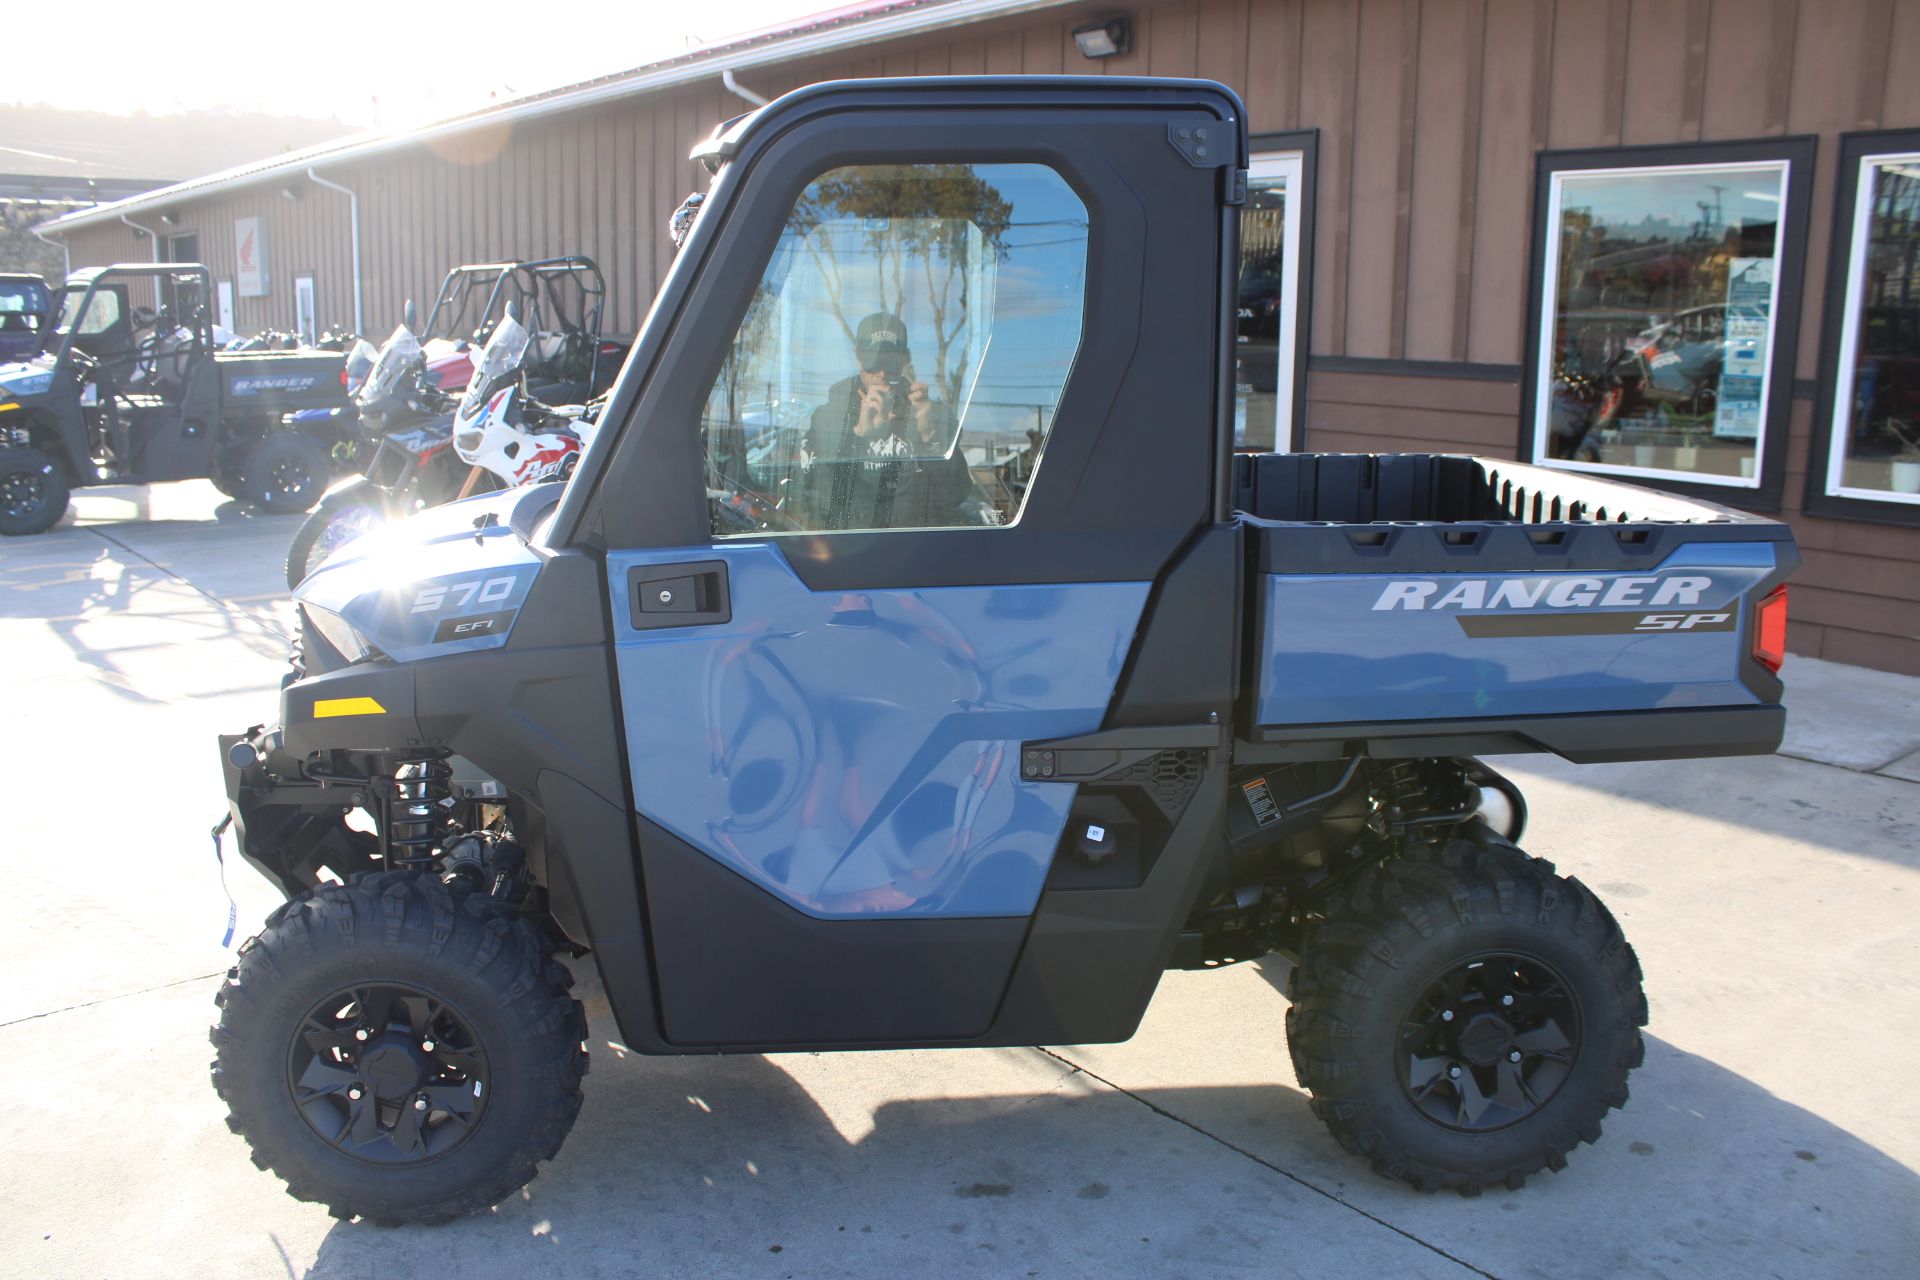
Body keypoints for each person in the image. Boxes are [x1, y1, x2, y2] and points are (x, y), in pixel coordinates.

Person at [799, 312, 976, 530]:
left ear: (905, 358)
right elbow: (814, 498)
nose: (882, 373)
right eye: (872, 362)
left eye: (890, 361)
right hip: (850, 544)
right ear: (857, 356)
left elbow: (957, 494)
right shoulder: (830, 416)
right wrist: (858, 436)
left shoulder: (930, 414)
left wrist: (931, 437)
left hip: (917, 544)